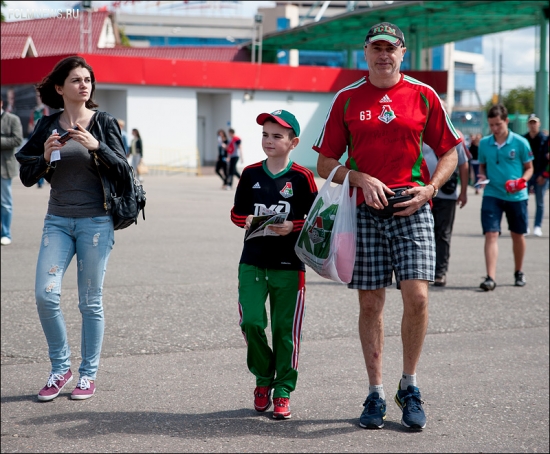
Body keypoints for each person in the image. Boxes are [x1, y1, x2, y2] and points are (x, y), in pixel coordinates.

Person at [313, 22, 461, 430]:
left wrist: (430, 189)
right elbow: (325, 164)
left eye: (390, 48)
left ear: (402, 53)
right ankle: (375, 392)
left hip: (412, 207)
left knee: (417, 298)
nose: (383, 55)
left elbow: (450, 150)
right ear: (365, 52)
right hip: (364, 212)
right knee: (370, 304)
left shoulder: (423, 94)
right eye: (376, 48)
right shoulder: (346, 99)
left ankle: (409, 386)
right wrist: (358, 178)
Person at [14, 56, 128, 401]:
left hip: (96, 222)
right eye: (76, 80)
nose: (84, 84)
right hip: (57, 222)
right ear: (60, 88)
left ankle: (87, 375)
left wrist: (99, 147)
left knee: (90, 302)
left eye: (88, 79)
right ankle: (60, 367)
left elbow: (125, 169)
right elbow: (25, 173)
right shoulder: (48, 125)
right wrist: (45, 158)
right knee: (45, 295)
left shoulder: (103, 122)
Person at [230, 109, 318, 420]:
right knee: (251, 322)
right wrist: (249, 220)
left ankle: (282, 389)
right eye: (265, 135)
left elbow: (314, 220)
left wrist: (292, 226)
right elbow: (236, 214)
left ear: (293, 142)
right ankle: (263, 377)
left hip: (289, 264)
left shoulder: (303, 178)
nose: (269, 140)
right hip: (252, 262)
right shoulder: (251, 173)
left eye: (277, 136)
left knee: (285, 331)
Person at [476, 104, 533, 291]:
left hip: (516, 196)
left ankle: (519, 271)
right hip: (492, 193)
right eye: (491, 125)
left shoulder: (520, 143)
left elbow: (529, 168)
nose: (494, 129)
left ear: (507, 121)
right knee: (491, 233)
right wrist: (482, 176)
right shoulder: (484, 143)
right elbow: (482, 166)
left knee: (517, 234)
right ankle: (490, 277)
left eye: (498, 124)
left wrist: (521, 182)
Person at [423, 137, 469, 286]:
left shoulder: (453, 137)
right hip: (421, 194)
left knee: (443, 233)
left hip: (446, 195)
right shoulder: (418, 132)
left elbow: (463, 164)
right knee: (422, 233)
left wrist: (463, 192)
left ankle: (440, 272)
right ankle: (423, 271)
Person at [1, 97, 23, 246]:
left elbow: (17, 140)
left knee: (5, 203)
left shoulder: (12, 119)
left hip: (4, 167)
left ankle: (5, 233)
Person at [524, 114, 549, 237]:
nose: (533, 125)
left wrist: (544, 175)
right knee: (524, 200)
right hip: (527, 174)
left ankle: (537, 226)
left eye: (535, 122)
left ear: (538, 124)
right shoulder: (524, 139)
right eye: (531, 122)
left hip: (541, 174)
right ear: (528, 124)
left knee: (539, 202)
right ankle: (525, 225)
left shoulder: (545, 139)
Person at [28, 91, 50, 188]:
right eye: (37, 96)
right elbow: (30, 123)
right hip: (35, 136)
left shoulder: (44, 110)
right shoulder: (34, 110)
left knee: (43, 157)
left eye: (39, 96)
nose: (38, 98)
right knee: (37, 158)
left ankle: (43, 178)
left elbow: (46, 122)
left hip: (43, 136)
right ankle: (38, 179)